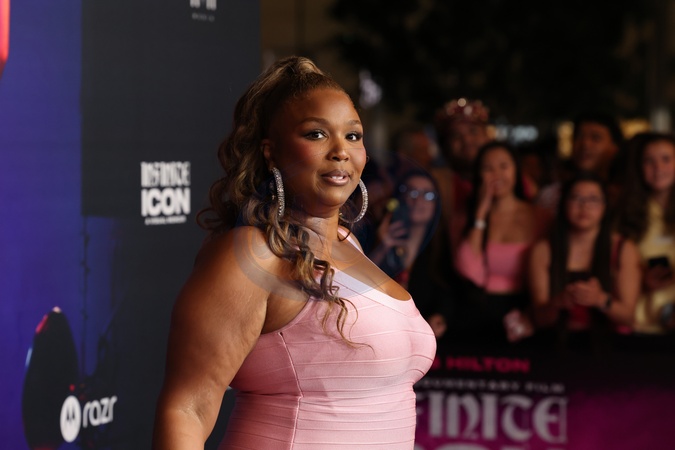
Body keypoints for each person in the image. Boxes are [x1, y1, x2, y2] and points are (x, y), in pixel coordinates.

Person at [152, 56, 436, 449]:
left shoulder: (348, 242)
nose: (341, 150)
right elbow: (187, 411)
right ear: (271, 152)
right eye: (316, 134)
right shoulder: (253, 253)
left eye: (353, 136)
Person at [529, 172, 641, 351]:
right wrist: (558, 302)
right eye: (576, 198)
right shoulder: (544, 250)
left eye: (593, 200)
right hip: (555, 345)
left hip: (611, 347)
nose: (584, 207)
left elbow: (628, 317)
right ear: (563, 203)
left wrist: (600, 299)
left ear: (605, 206)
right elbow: (539, 319)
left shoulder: (623, 249)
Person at [454, 141, 548, 346]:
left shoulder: (540, 216)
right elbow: (469, 271)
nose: (496, 174)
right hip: (476, 311)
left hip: (526, 313)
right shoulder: (464, 218)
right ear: (479, 174)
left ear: (516, 171)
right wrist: (480, 214)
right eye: (488, 168)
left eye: (504, 166)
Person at [616, 132, 675, 334]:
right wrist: (640, 280)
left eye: (666, 159)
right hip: (642, 324)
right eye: (649, 161)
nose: (658, 167)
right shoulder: (625, 213)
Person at [432, 98, 491, 253]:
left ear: (487, 136)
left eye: (473, 131)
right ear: (446, 145)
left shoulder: (513, 178)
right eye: (456, 136)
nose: (467, 140)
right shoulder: (435, 183)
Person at [536, 111, 624, 215]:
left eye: (595, 138)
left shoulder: (625, 197)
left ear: (615, 147)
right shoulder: (551, 197)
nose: (585, 144)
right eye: (578, 136)